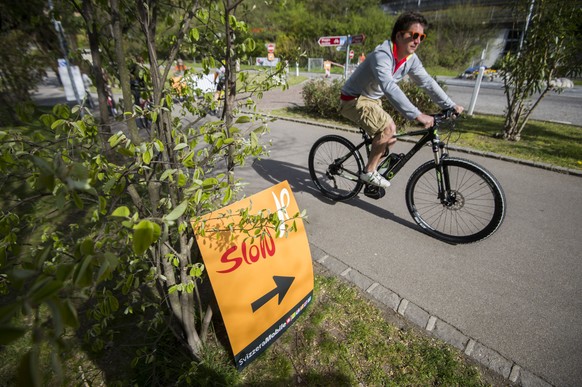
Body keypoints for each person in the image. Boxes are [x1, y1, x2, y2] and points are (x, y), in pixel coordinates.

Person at [339, 12, 464, 189]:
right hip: (354, 99)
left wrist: (450, 105)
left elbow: (427, 82)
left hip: (372, 100)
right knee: (387, 128)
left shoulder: (410, 59)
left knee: (391, 138)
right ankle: (368, 172)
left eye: (422, 37)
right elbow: (389, 86)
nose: (418, 40)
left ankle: (371, 170)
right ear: (399, 35)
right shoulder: (382, 55)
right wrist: (417, 115)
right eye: (414, 35)